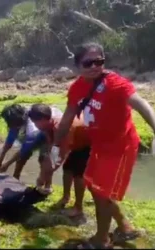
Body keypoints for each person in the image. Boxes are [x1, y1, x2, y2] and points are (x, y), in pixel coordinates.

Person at [52, 42, 155, 248]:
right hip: (98, 145)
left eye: (99, 62)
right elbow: (67, 118)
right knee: (92, 185)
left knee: (102, 193)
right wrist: (55, 146)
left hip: (120, 147)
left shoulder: (116, 83)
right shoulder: (78, 87)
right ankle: (125, 226)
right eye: (88, 63)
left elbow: (141, 103)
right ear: (77, 66)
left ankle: (101, 240)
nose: (94, 67)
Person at [28, 104, 90, 218]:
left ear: (43, 119)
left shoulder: (60, 128)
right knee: (67, 169)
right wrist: (44, 171)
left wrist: (44, 176)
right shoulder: (47, 127)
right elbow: (52, 150)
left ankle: (78, 208)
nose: (35, 126)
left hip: (89, 144)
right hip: (76, 145)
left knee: (78, 175)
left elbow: (59, 156)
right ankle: (66, 197)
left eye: (35, 122)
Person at [0, 104, 63, 193]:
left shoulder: (33, 127)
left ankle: (47, 185)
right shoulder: (16, 118)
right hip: (39, 128)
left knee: (44, 159)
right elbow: (10, 139)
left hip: (51, 129)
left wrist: (7, 164)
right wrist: (1, 156)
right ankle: (16, 180)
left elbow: (24, 149)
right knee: (22, 157)